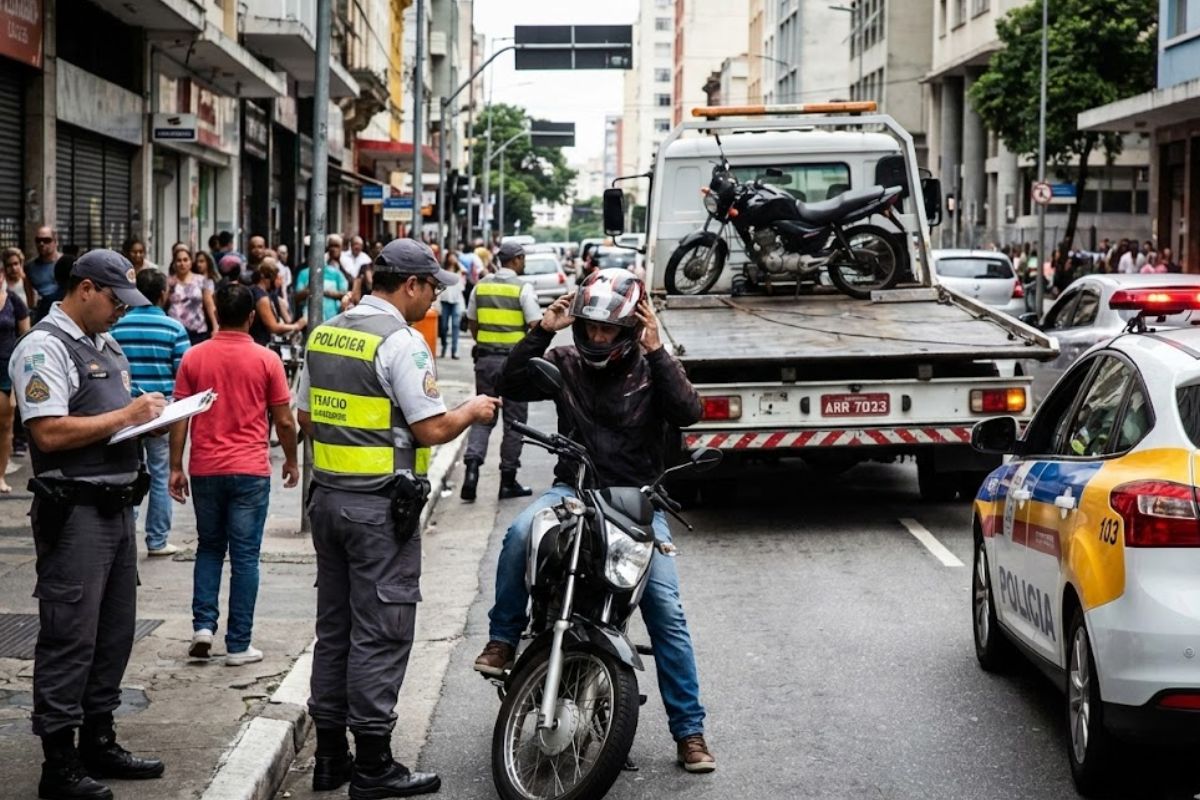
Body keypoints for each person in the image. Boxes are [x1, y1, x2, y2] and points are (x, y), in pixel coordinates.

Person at [473, 268, 716, 773]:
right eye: (592, 327)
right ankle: (502, 639)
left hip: (636, 502)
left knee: (666, 611)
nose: (599, 337)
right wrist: (544, 329)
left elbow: (688, 411)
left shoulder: (650, 368)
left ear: (630, 329)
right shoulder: (564, 360)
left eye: (609, 329)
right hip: (574, 491)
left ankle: (689, 732)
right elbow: (508, 382)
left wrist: (657, 350)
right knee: (520, 533)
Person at [296, 239, 500, 797]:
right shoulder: (402, 343)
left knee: (335, 630)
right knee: (381, 633)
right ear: (410, 284)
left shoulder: (325, 333)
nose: (435, 299)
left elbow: (306, 420)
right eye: (432, 288)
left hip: (328, 502)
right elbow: (430, 429)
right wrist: (472, 410)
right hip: (378, 512)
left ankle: (330, 757)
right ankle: (373, 764)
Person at [7, 250, 168, 799]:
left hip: (116, 508)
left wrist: (147, 422)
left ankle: (99, 740)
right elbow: (48, 433)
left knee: (113, 633)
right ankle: (59, 762)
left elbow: (106, 419)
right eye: (115, 300)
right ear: (84, 289)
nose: (121, 311)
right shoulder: (43, 348)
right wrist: (128, 416)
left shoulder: (106, 343)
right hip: (75, 512)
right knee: (69, 635)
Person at [169, 283, 300, 666]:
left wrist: (175, 466)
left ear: (217, 314)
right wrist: (291, 461)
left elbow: (180, 417)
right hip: (249, 471)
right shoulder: (267, 360)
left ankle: (203, 627)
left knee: (209, 548)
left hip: (206, 468)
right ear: (251, 317)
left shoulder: (194, 357)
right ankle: (239, 645)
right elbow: (284, 421)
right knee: (245, 557)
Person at [110, 268, 190, 556]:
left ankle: (125, 539)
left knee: (126, 474)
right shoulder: (174, 329)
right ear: (163, 294)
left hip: (124, 413)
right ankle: (157, 540)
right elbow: (184, 377)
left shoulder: (116, 327)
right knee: (160, 474)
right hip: (162, 415)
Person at [460, 241, 542, 502]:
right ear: (515, 260)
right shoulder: (522, 288)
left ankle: (471, 471)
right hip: (513, 366)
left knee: (482, 415)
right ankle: (507, 481)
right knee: (515, 423)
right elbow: (536, 325)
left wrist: (484, 343)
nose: (524, 263)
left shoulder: (481, 286)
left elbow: (472, 322)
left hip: (485, 361)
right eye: (523, 258)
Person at [0, 260, 29, 491]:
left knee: (6, 425)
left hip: (5, 370)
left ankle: (0, 476)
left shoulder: (13, 301)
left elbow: (26, 339)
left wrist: (22, 376)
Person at [167, 246, 217, 345]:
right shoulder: (169, 282)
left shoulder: (201, 280)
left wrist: (215, 326)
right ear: (174, 263)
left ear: (191, 262)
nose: (182, 264)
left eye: (185, 260)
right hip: (174, 331)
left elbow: (209, 304)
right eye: (179, 260)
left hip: (198, 331)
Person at [249, 258, 305, 345]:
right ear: (268, 278)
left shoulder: (267, 294)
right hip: (259, 341)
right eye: (277, 277)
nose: (280, 281)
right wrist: (296, 326)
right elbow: (273, 327)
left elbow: (287, 318)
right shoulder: (261, 297)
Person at [295, 235, 350, 322]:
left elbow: (345, 294)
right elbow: (297, 297)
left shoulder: (336, 273)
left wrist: (322, 291)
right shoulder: (303, 273)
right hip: (309, 320)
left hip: (332, 319)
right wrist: (309, 290)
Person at [26, 225, 62, 319]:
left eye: (47, 240)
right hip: (43, 314)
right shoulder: (30, 267)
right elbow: (29, 297)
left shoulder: (67, 263)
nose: (41, 244)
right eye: (38, 240)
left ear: (55, 242)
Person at [437, 253, 465, 359]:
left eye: (455, 257)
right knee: (444, 326)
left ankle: (454, 351)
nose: (453, 259)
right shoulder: (443, 271)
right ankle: (444, 346)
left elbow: (462, 285)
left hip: (456, 301)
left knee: (455, 325)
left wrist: (458, 264)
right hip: (445, 300)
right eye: (451, 257)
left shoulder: (459, 271)